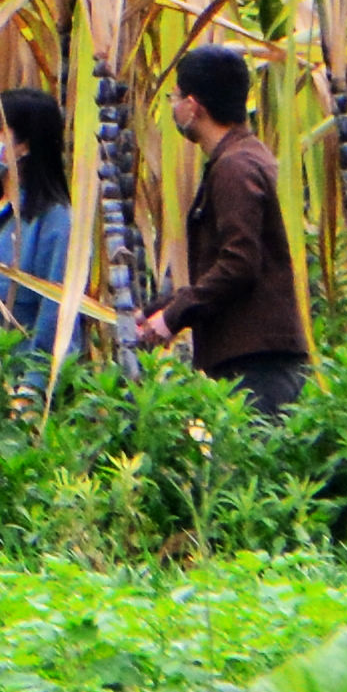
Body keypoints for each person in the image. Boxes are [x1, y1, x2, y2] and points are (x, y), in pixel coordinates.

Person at [134, 44, 311, 420]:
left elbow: (239, 263)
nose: (173, 105)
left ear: (193, 105)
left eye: (175, 96)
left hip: (256, 361)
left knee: (257, 470)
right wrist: (165, 307)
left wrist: (172, 319)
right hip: (262, 353)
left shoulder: (234, 168)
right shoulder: (250, 156)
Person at [0, 86, 74, 359]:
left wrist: (32, 387)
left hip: (19, 381)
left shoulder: (55, 221)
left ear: (25, 145)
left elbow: (55, 312)